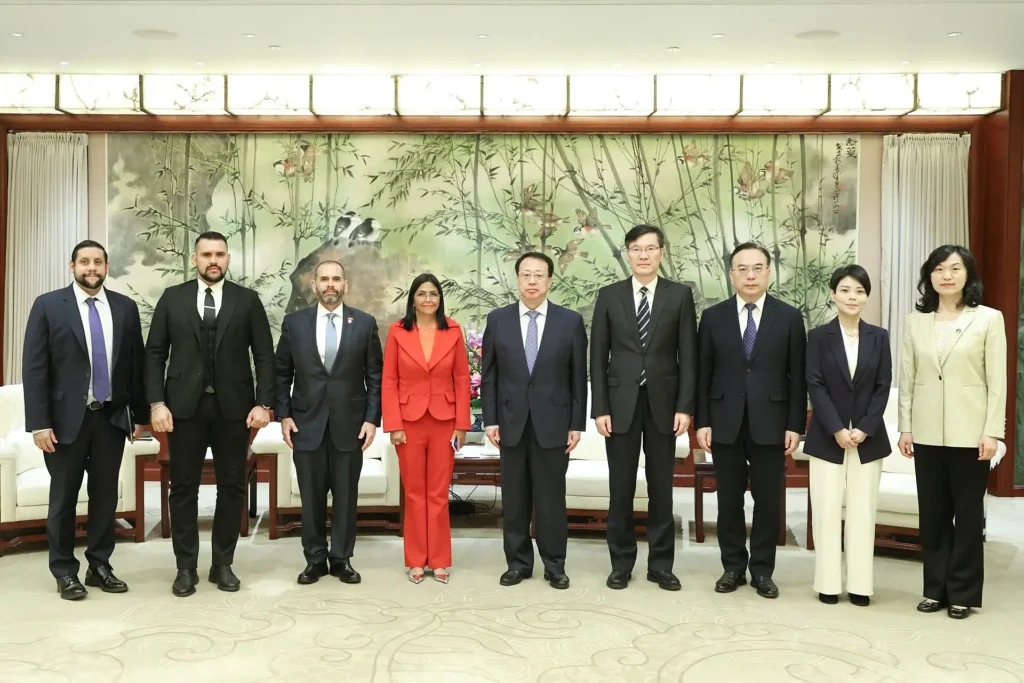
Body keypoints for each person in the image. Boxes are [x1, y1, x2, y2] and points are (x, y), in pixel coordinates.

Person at [145, 231, 274, 597]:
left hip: (234, 410)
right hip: (182, 409)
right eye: (206, 254)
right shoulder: (173, 299)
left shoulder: (247, 301)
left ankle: (223, 564)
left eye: (219, 254)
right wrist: (156, 403)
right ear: (194, 258)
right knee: (183, 487)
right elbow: (154, 353)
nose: (212, 260)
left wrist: (264, 404)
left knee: (232, 486)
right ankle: (186, 567)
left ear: (228, 259)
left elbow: (264, 355)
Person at [22, 240, 149, 600]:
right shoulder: (48, 306)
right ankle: (64, 570)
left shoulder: (124, 308)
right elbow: (34, 369)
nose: (91, 268)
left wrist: (139, 417)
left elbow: (135, 366)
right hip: (63, 423)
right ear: (72, 266)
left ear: (107, 267)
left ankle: (99, 565)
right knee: (63, 498)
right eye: (84, 262)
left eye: (98, 262)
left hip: (110, 419)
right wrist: (39, 423)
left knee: (105, 497)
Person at [898, 244, 1005, 620]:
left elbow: (997, 382)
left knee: (968, 516)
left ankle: (963, 593)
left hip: (971, 435)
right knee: (933, 515)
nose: (946, 275)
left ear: (967, 275)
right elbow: (907, 378)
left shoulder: (989, 319)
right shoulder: (915, 321)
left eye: (955, 269)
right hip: (926, 434)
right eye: (939, 268)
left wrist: (993, 431)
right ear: (929, 275)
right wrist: (905, 427)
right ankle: (935, 589)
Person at [695, 242, 806, 599]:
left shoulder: (788, 317)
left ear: (769, 272)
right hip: (724, 421)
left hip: (772, 423)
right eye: (742, 269)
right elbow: (703, 375)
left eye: (757, 268)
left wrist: (795, 425)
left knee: (767, 499)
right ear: (731, 274)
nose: (750, 275)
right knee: (728, 500)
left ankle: (762, 570)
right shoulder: (713, 317)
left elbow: (798, 377)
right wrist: (703, 421)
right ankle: (732, 567)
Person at [590, 224, 697, 591]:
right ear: (627, 254)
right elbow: (597, 356)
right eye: (636, 249)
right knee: (620, 488)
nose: (644, 255)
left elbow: (689, 355)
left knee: (661, 487)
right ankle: (621, 563)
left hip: (664, 404)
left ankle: (661, 565)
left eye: (651, 248)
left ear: (661, 253)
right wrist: (599, 408)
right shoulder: (609, 295)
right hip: (619, 405)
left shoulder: (680, 295)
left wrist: (685, 406)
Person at [481, 252, 587, 589]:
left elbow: (577, 377)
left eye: (538, 275)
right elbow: (489, 376)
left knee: (552, 500)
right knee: (514, 499)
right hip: (510, 422)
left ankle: (555, 565)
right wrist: (490, 419)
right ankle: (518, 563)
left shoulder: (569, 321)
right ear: (517, 279)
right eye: (526, 274)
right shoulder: (498, 320)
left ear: (550, 280)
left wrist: (576, 424)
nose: (532, 281)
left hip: (554, 424)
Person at [275, 260, 382, 585]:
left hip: (350, 426)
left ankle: (341, 559)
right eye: (324, 279)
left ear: (345, 285)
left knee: (347, 497)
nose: (330, 284)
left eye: (336, 279)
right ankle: (315, 560)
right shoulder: (295, 323)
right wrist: (284, 415)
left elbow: (375, 376)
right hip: (306, 425)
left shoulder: (364, 324)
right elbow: (282, 373)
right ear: (314, 285)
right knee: (311, 497)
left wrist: (371, 419)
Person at [803, 265, 891, 607]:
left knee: (862, 511)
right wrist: (838, 428)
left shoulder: (879, 337)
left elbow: (883, 387)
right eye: (845, 290)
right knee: (825, 511)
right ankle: (827, 583)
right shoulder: (818, 336)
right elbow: (815, 385)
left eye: (858, 291)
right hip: (828, 437)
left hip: (868, 439)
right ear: (833, 294)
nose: (852, 296)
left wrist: (865, 427)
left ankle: (859, 585)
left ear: (866, 296)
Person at [382, 273, 470, 584]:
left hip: (445, 422)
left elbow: (461, 379)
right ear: (413, 299)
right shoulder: (397, 331)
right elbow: (389, 380)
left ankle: (440, 560)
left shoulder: (454, 330)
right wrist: (393, 424)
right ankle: (416, 561)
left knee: (438, 493)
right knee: (415, 494)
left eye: (433, 294)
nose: (428, 299)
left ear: (440, 299)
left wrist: (462, 425)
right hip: (408, 422)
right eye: (422, 294)